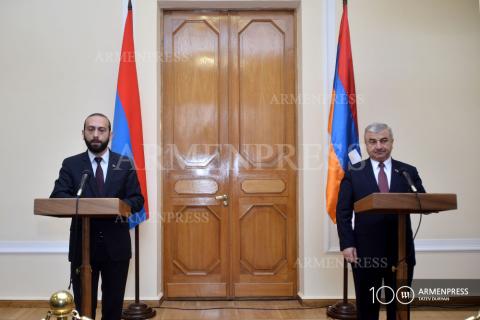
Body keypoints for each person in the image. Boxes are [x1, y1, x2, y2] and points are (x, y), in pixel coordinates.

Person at [50, 113, 144, 320]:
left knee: (113, 305)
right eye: (90, 129)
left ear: (110, 134)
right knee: (84, 307)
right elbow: (58, 196)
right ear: (83, 133)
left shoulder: (124, 164)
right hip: (82, 248)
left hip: (116, 246)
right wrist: (86, 204)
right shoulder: (72, 164)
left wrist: (118, 206)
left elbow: (137, 200)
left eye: (101, 130)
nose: (95, 134)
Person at [336, 123, 426, 320]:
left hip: (401, 250)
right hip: (365, 251)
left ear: (392, 143)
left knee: (399, 305)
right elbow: (342, 211)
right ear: (366, 145)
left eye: (384, 141)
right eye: (372, 142)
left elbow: (422, 200)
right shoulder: (354, 172)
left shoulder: (407, 171)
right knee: (367, 306)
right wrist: (347, 243)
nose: (379, 146)